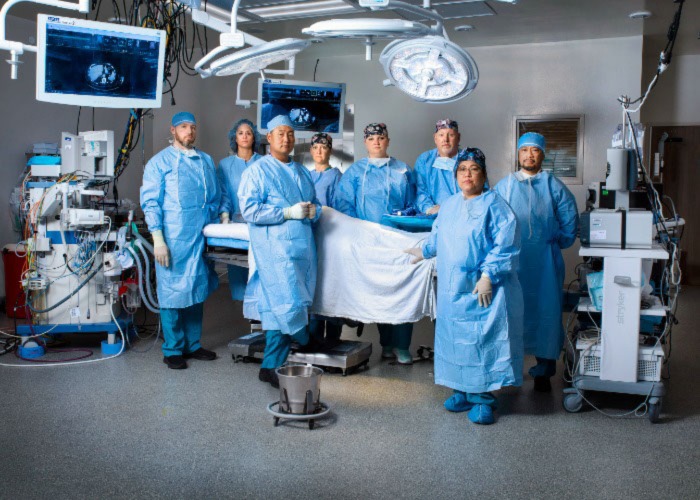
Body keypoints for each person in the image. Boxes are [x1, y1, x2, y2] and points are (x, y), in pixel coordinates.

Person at [406, 148, 523, 425]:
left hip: (483, 290)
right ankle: (461, 390)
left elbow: (506, 244)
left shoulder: (495, 205)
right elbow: (438, 236)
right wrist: (424, 251)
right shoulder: (449, 205)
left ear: (483, 174)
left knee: (481, 341)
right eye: (462, 170)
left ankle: (483, 398)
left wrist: (488, 276)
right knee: (455, 341)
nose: (467, 175)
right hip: (451, 289)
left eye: (473, 169)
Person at [238, 115, 322, 388]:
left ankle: (274, 363)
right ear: (269, 138)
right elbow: (250, 210)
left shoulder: (301, 171)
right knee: (284, 305)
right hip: (276, 251)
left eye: (290, 134)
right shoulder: (257, 171)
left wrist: (312, 212)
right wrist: (286, 212)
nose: (286, 139)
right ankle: (278, 360)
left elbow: (315, 204)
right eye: (280, 134)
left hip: (302, 249)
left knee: (287, 306)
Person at [493, 132, 579, 392]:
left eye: (535, 150)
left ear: (543, 154)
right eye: (524, 150)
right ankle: (509, 367)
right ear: (518, 154)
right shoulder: (505, 186)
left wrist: (553, 244)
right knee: (512, 311)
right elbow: (493, 218)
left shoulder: (554, 186)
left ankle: (544, 370)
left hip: (544, 263)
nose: (529, 155)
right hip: (514, 262)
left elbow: (569, 221)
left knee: (546, 312)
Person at [140, 111, 220, 370]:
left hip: (200, 236)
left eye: (193, 127)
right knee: (173, 293)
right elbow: (151, 202)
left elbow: (214, 198)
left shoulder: (205, 160)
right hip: (172, 238)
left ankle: (192, 345)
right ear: (173, 130)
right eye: (184, 127)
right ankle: (173, 349)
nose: (190, 131)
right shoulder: (159, 163)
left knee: (196, 290)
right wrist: (157, 238)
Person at [334, 122, 415, 365]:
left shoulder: (403, 170)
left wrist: (401, 225)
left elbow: (413, 206)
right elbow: (344, 205)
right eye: (372, 139)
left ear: (388, 141)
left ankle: (402, 346)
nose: (377, 142)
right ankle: (387, 344)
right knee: (380, 291)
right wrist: (359, 231)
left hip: (398, 240)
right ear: (365, 143)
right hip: (367, 239)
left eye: (381, 138)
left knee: (403, 291)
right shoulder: (355, 172)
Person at [217, 119, 263, 301]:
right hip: (235, 225)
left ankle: (260, 317)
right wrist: (225, 216)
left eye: (249, 133)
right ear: (234, 138)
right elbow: (224, 193)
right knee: (238, 280)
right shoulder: (225, 165)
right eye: (240, 133)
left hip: (260, 224)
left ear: (254, 138)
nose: (244, 136)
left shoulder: (264, 163)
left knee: (261, 274)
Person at [306, 132, 344, 348]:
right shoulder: (306, 176)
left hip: (331, 237)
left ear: (329, 150)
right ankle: (314, 335)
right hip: (310, 238)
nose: (319, 151)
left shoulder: (337, 176)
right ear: (311, 151)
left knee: (331, 283)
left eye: (324, 147)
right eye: (316, 147)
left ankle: (334, 335)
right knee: (313, 283)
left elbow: (340, 209)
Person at [414, 119, 462, 215]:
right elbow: (420, 191)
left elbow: (478, 193)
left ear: (458, 137)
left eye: (451, 135)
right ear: (435, 138)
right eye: (441, 135)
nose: (445, 140)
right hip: (433, 217)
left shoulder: (469, 159)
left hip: (463, 215)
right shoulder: (425, 160)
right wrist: (430, 209)